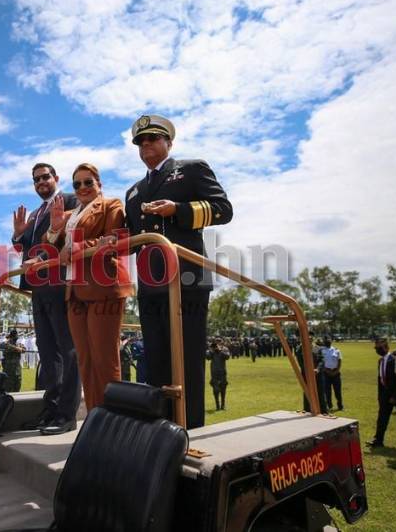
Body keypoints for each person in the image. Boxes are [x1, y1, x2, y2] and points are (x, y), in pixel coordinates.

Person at [124, 115, 233, 429]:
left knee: (186, 365)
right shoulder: (133, 191)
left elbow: (224, 209)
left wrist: (178, 210)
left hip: (186, 282)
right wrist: (112, 240)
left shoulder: (191, 169)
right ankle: (162, 432)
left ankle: (191, 433)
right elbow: (132, 238)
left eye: (153, 139)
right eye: (141, 142)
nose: (147, 146)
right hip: (150, 286)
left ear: (168, 142)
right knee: (156, 365)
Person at [46, 162, 133, 418]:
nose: (82, 187)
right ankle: (95, 419)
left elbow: (115, 237)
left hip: (104, 286)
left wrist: (78, 247)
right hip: (74, 291)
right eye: (77, 184)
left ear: (99, 184)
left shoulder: (111, 204)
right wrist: (54, 227)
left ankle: (113, 422)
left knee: (104, 360)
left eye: (88, 182)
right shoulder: (71, 215)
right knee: (85, 361)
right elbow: (49, 244)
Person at [12, 163, 80, 432]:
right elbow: (24, 247)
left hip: (59, 281)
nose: (40, 182)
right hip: (38, 287)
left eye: (45, 177)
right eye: (36, 179)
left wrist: (42, 256)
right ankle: (50, 410)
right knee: (47, 351)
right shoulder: (37, 213)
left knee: (68, 349)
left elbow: (71, 235)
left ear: (56, 178)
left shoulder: (70, 200)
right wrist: (18, 233)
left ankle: (66, 415)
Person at [368, 338, 396, 448]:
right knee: (382, 418)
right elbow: (380, 379)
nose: (377, 350)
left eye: (380, 348)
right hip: (385, 395)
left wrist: (395, 396)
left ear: (387, 347)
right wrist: (380, 396)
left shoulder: (394, 360)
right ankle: (378, 440)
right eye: (376, 348)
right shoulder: (380, 361)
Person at [0, 329, 26, 393]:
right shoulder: (6, 343)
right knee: (8, 386)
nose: (17, 337)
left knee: (17, 385)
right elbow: (0, 347)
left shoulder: (18, 344)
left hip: (17, 369)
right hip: (8, 368)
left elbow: (24, 350)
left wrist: (20, 349)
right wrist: (16, 348)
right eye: (16, 335)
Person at [206, 339, 230, 411]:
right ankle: (217, 406)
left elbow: (227, 357)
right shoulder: (211, 350)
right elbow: (207, 357)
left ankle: (223, 405)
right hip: (214, 372)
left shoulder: (225, 349)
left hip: (222, 372)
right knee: (215, 389)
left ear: (221, 343)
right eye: (216, 343)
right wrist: (211, 350)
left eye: (219, 342)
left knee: (223, 388)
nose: (217, 344)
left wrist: (220, 350)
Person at [321, 337, 343, 411]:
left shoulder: (336, 350)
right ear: (324, 342)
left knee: (338, 391)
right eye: (326, 340)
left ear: (331, 341)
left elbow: (339, 361)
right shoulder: (322, 351)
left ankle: (340, 406)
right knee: (327, 391)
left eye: (329, 340)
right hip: (326, 373)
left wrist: (336, 371)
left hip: (336, 373)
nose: (328, 341)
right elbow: (321, 363)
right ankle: (329, 406)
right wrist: (327, 371)